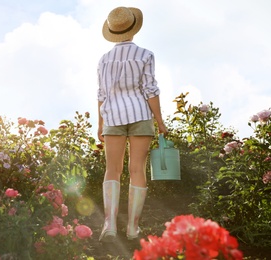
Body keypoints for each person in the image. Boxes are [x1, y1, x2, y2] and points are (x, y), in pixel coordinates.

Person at [97, 6, 168, 242]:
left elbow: (102, 94)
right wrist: (160, 121)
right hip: (140, 115)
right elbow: (150, 90)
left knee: (112, 170)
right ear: (133, 28)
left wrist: (100, 123)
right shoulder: (145, 55)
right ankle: (132, 228)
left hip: (113, 118)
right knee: (137, 170)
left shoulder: (104, 60)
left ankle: (109, 224)